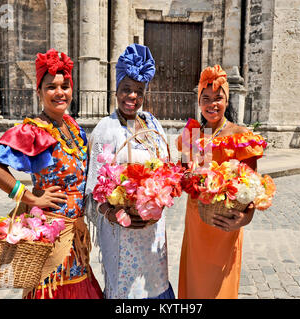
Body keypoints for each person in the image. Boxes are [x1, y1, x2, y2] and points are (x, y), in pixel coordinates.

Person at [0, 48, 103, 299]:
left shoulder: (73, 127)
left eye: (65, 86)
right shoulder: (33, 130)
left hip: (75, 237)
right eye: (51, 87)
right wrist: (29, 197)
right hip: (52, 235)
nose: (60, 92)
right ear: (39, 91)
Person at [85, 44, 175, 299]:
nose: (132, 96)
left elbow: (165, 168)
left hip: (153, 230)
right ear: (116, 91)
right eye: (127, 89)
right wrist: (112, 214)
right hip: (122, 232)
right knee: (128, 291)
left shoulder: (152, 123)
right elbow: (92, 191)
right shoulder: (106, 129)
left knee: (154, 285)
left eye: (139, 91)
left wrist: (157, 198)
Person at [176, 65, 267, 299]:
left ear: (227, 100)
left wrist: (245, 218)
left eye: (218, 98)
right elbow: (183, 175)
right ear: (199, 102)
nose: (212, 104)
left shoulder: (240, 135)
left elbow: (254, 187)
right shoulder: (192, 135)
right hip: (196, 224)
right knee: (195, 286)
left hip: (225, 226)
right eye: (205, 98)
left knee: (220, 289)